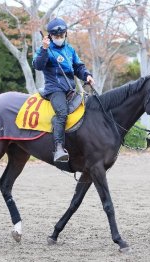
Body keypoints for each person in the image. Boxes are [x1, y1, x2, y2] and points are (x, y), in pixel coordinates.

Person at [33, 17, 95, 163]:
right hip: (54, 89)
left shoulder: (69, 49)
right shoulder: (45, 49)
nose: (59, 38)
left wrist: (87, 76)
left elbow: (78, 67)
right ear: (50, 36)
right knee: (62, 113)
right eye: (56, 36)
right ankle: (59, 148)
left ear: (65, 34)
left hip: (70, 89)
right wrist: (44, 49)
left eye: (61, 35)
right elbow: (38, 65)